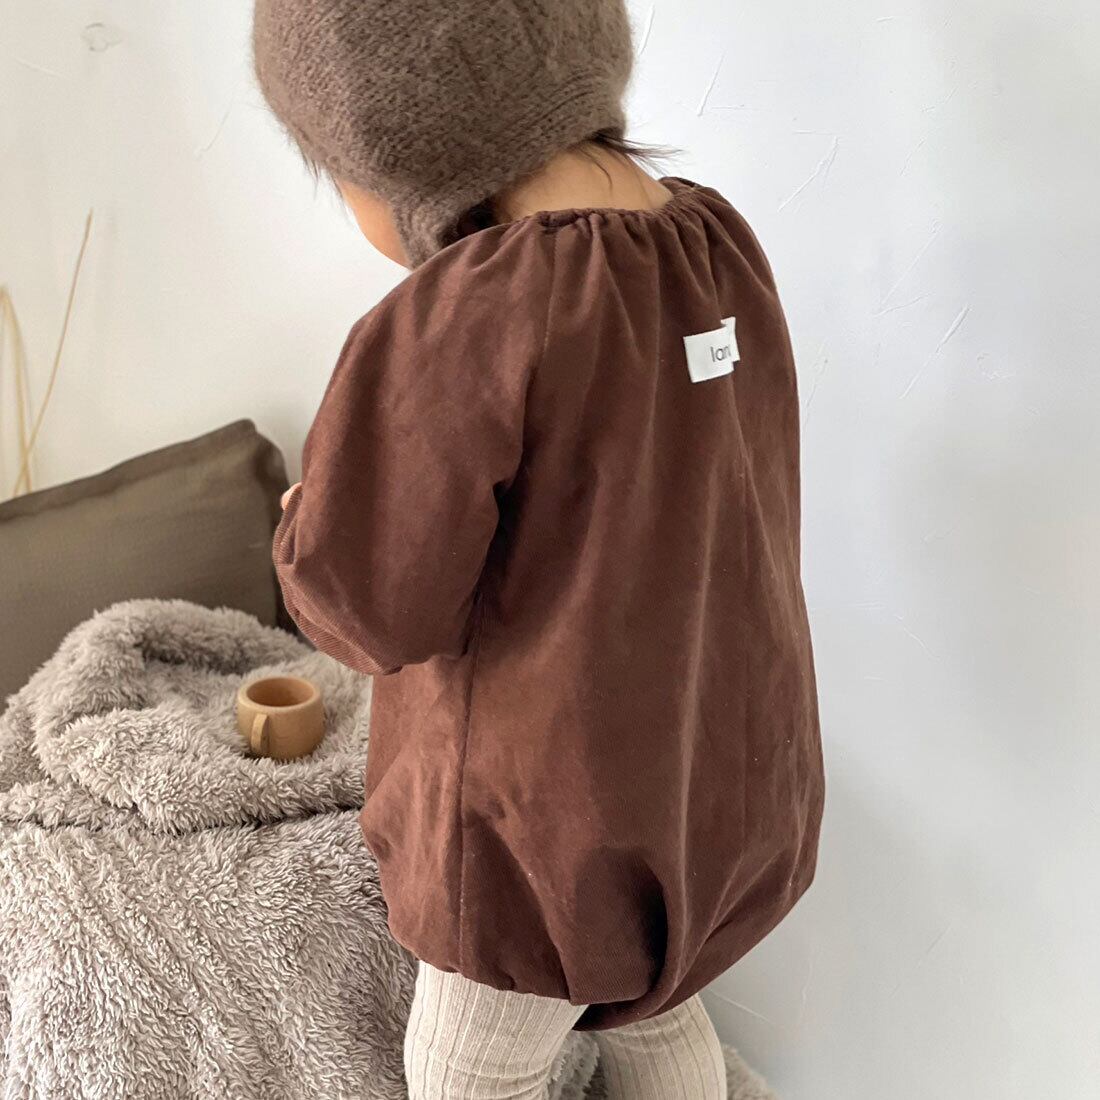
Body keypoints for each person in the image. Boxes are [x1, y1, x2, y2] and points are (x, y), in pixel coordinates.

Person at [254, 1, 825, 1097]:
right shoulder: (715, 245)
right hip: (707, 775)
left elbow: (371, 606)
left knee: (465, 1070)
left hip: (537, 826)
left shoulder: (468, 315)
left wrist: (303, 521)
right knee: (651, 1011)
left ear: (403, 155)